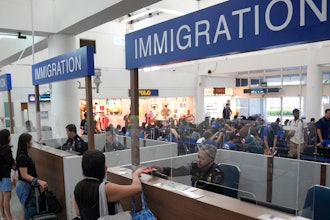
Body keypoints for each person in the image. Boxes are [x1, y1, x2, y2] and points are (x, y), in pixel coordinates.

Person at [74, 150, 147, 219]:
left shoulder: (78, 186)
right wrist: (135, 174)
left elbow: (78, 213)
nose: (106, 166)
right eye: (104, 163)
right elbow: (137, 189)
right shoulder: (105, 188)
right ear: (99, 167)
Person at [149, 144, 224, 194]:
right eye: (198, 157)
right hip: (194, 196)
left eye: (202, 158)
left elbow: (212, 195)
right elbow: (177, 172)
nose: (198, 160)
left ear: (212, 160)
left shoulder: (217, 173)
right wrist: (162, 169)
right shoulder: (195, 165)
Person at [15, 133, 48, 220]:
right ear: (26, 143)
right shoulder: (22, 157)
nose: (31, 142)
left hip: (25, 186)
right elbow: (24, 175)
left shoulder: (24, 155)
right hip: (24, 186)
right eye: (30, 140)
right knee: (26, 213)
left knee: (25, 211)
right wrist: (38, 181)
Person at [0, 129, 16, 220]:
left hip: (0, 175)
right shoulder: (6, 149)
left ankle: (4, 216)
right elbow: (10, 161)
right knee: (7, 196)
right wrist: (14, 166)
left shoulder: (1, 147)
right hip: (5, 175)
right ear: (7, 138)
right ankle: (9, 217)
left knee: (1, 196)